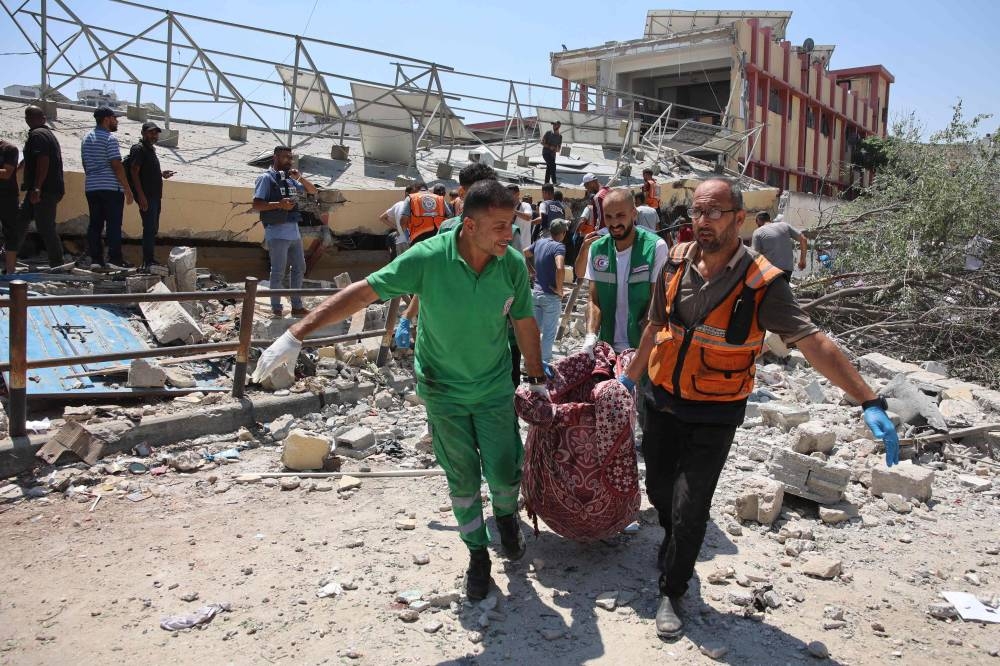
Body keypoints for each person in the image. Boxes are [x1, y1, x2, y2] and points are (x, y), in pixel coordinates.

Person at [620, 178, 900, 640]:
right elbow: (655, 327)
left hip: (715, 410)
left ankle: (672, 589)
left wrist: (868, 398)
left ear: (738, 218)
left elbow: (814, 343)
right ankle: (672, 535)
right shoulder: (672, 263)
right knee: (660, 490)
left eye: (714, 212)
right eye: (697, 211)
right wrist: (629, 380)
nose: (703, 221)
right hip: (662, 399)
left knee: (693, 506)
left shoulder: (762, 283)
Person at [251, 179, 546, 601]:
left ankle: (505, 520)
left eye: (510, 224)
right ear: (469, 226)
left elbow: (524, 323)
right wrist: (297, 333)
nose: (508, 234)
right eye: (499, 226)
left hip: (494, 388)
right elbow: (365, 292)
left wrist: (536, 381)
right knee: (461, 477)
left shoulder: (512, 264)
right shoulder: (426, 258)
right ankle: (477, 556)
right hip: (444, 392)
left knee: (503, 470)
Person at [396, 164, 497, 349]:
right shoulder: (447, 228)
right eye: (477, 193)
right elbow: (431, 277)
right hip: (444, 332)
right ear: (462, 193)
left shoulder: (505, 236)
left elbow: (514, 292)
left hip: (485, 334)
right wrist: (407, 316)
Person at [579, 188, 668, 355]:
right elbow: (594, 300)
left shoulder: (655, 248)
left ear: (634, 213)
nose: (614, 223)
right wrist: (590, 337)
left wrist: (641, 350)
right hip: (607, 349)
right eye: (609, 217)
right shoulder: (598, 249)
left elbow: (656, 304)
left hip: (642, 349)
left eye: (620, 215)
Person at [252, 146, 318, 318]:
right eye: (285, 157)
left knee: (299, 268)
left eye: (291, 157)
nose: (289, 161)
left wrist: (300, 178)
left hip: (294, 232)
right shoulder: (265, 178)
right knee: (278, 271)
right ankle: (276, 308)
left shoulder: (289, 180)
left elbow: (313, 191)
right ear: (275, 157)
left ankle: (297, 306)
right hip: (277, 232)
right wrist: (279, 205)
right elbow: (257, 205)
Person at [81, 106, 133, 268]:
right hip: (110, 188)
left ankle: (96, 259)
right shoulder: (110, 139)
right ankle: (114, 259)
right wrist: (127, 188)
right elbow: (116, 165)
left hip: (91, 186)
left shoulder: (86, 138)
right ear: (106, 119)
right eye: (114, 118)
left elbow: (85, 163)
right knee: (113, 224)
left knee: (95, 224)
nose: (116, 121)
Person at [17, 105, 65, 271]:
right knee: (21, 220)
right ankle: (8, 254)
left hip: (44, 190)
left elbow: (43, 160)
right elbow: (36, 157)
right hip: (42, 189)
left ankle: (57, 263)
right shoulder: (45, 134)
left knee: (45, 226)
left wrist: (37, 187)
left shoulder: (38, 135)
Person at [127, 121, 175, 272]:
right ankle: (148, 261)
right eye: (151, 132)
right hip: (147, 196)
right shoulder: (139, 149)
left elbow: (146, 172)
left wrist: (162, 174)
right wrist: (140, 196)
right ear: (143, 133)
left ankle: (149, 259)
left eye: (156, 133)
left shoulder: (150, 150)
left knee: (153, 228)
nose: (154, 135)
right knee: (149, 228)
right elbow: (134, 171)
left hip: (155, 196)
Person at [523, 218, 568, 363]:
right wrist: (559, 289)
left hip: (535, 294)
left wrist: (531, 270)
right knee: (549, 334)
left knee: (535, 332)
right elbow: (560, 268)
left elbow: (524, 253)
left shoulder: (540, 242)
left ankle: (530, 361)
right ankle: (545, 364)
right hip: (550, 297)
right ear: (563, 233)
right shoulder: (559, 247)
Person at [751, 212, 807, 281]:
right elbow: (803, 239)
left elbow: (753, 254)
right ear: (770, 219)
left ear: (758, 220)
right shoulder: (784, 225)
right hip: (787, 269)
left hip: (770, 271)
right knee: (783, 290)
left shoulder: (758, 232)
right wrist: (802, 260)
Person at [379, 185, 417, 254]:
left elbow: (382, 218)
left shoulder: (398, 205)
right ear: (407, 194)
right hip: (412, 243)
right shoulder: (415, 206)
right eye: (415, 193)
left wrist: (397, 228)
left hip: (400, 242)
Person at [0, 138, 18, 273]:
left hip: (7, 197)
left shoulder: (9, 149)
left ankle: (10, 270)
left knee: (11, 232)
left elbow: (7, 173)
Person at [508, 184, 532, 251]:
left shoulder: (525, 205)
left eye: (510, 194)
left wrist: (514, 211)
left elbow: (528, 217)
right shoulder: (508, 208)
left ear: (518, 194)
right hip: (511, 248)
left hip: (524, 248)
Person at [541, 121, 562, 185]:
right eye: (553, 125)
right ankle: (554, 182)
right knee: (553, 166)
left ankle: (546, 182)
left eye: (555, 125)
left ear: (558, 126)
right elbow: (542, 142)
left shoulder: (560, 137)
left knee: (549, 168)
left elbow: (558, 149)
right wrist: (550, 146)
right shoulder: (548, 133)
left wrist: (556, 149)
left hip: (552, 155)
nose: (553, 126)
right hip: (546, 153)